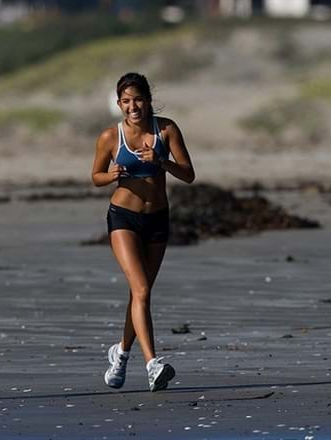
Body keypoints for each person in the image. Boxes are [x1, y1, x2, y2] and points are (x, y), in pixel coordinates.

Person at [92, 72, 195, 392]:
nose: (132, 106)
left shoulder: (166, 129)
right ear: (119, 104)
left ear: (148, 99)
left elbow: (189, 174)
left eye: (137, 99)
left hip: (158, 220)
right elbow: (95, 175)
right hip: (123, 218)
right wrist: (110, 176)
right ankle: (153, 364)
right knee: (141, 290)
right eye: (125, 101)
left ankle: (121, 354)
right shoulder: (111, 137)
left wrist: (161, 159)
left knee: (140, 293)